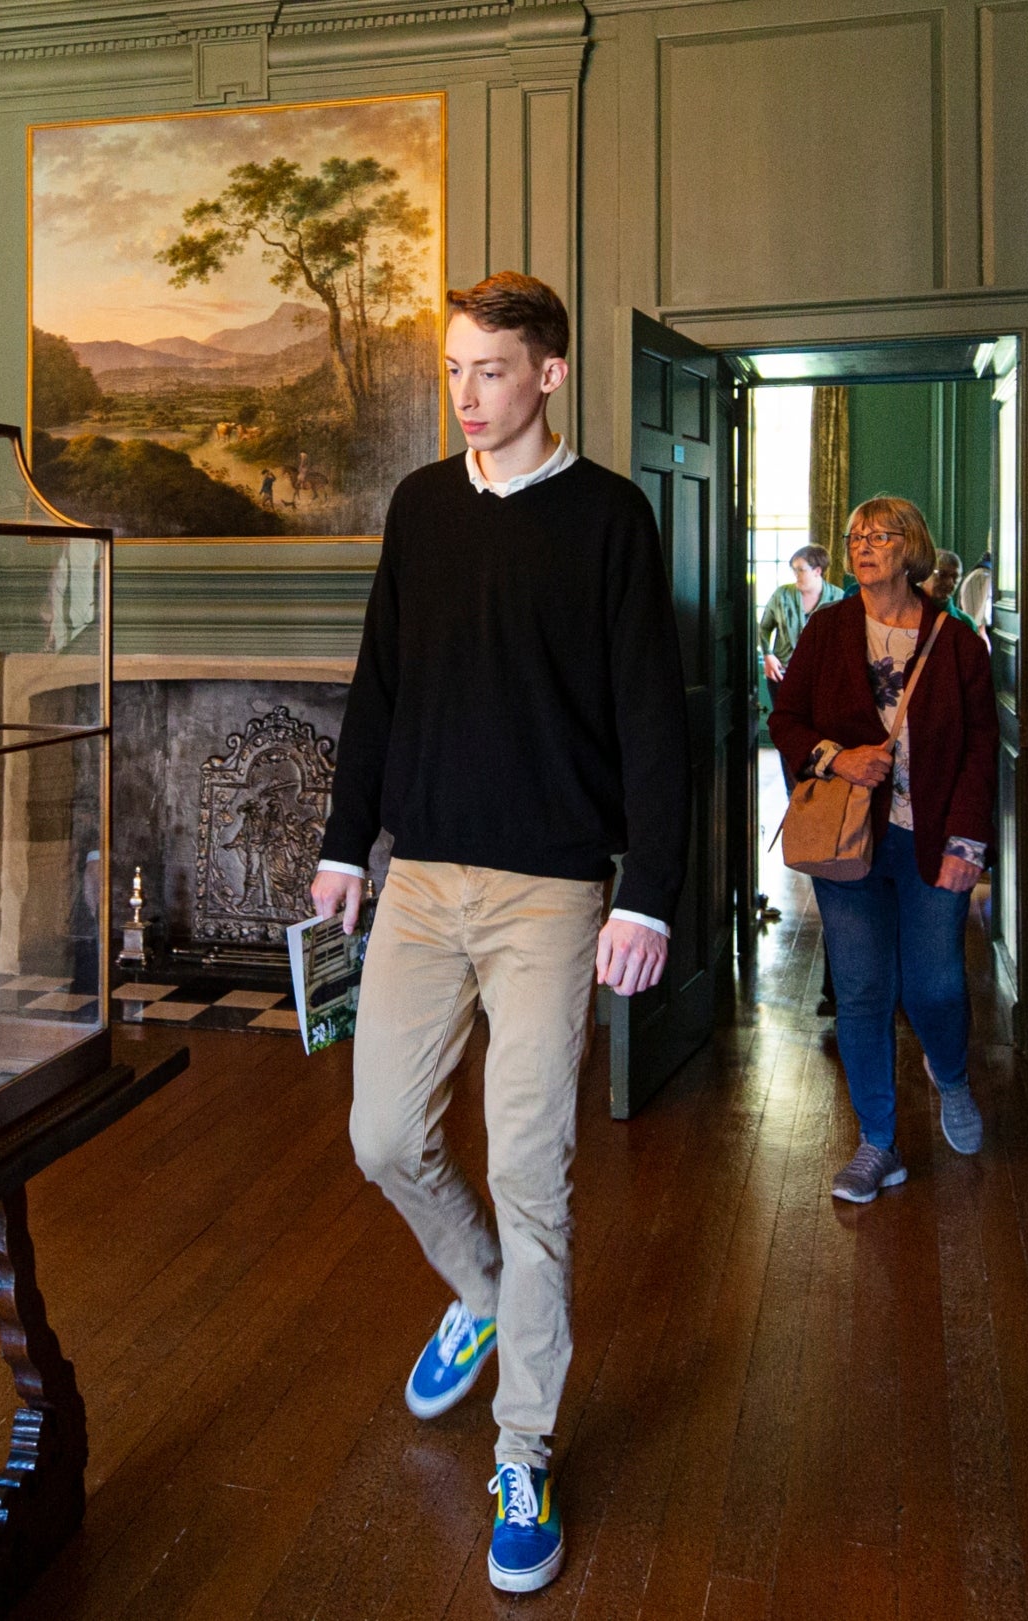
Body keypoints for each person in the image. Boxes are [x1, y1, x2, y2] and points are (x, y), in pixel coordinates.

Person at [309, 271, 687, 1597]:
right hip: (419, 883)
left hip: (552, 895)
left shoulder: (611, 520)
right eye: (454, 369)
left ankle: (522, 1444)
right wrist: (342, 846)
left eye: (489, 368)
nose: (464, 393)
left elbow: (653, 715)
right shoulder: (419, 508)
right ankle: (476, 1296)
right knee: (382, 1136)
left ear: (548, 375)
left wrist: (647, 892)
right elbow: (380, 685)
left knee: (533, 1163)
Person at [769, 496, 998, 1203]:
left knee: (935, 984)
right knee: (863, 990)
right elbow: (787, 718)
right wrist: (837, 758)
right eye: (855, 535)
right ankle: (877, 1143)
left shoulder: (955, 640)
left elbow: (982, 747)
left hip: (931, 842)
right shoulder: (828, 629)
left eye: (881, 534)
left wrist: (968, 843)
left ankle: (951, 1076)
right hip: (850, 842)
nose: (864, 545)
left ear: (912, 547)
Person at [755, 544, 841, 745]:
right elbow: (763, 628)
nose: (795, 575)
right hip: (782, 675)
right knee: (787, 733)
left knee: (819, 733)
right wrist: (768, 655)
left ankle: (812, 777)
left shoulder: (839, 598)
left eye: (800, 570)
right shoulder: (781, 595)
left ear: (817, 571)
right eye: (793, 569)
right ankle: (791, 778)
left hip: (822, 678)